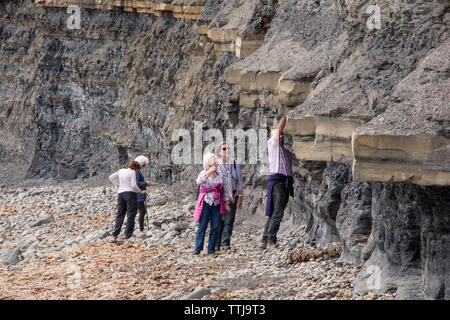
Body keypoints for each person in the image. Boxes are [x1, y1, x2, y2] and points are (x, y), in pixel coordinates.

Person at [261, 117, 296, 249]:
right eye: (279, 135)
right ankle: (271, 240)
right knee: (277, 212)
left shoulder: (285, 151)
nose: (281, 136)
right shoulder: (272, 145)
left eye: (282, 135)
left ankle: (265, 240)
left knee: (274, 212)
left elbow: (299, 155)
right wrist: (285, 116)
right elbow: (278, 129)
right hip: (277, 182)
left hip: (285, 183)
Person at [193, 152, 231, 255]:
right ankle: (197, 248)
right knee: (203, 225)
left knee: (215, 226)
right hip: (206, 201)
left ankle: (211, 249)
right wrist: (209, 172)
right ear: (208, 162)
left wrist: (227, 201)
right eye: (212, 158)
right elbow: (198, 182)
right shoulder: (204, 172)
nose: (215, 159)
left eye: (215, 157)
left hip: (217, 202)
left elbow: (225, 188)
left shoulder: (221, 174)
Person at [215, 142, 243, 251]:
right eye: (224, 149)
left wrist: (240, 196)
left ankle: (225, 242)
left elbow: (239, 180)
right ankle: (217, 243)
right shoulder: (216, 165)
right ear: (219, 152)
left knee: (229, 219)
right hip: (220, 197)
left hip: (232, 196)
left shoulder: (235, 164)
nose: (227, 150)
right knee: (219, 220)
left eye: (228, 148)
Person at [109, 160, 147, 241]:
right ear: (135, 168)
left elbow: (111, 177)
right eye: (137, 170)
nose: (137, 171)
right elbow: (133, 185)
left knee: (120, 214)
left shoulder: (121, 171)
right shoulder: (132, 172)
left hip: (121, 194)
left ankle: (115, 234)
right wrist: (141, 191)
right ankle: (128, 234)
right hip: (130, 194)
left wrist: (117, 184)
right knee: (131, 214)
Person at [135, 155, 151, 232]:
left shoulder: (136, 171)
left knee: (141, 211)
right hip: (139, 195)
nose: (144, 166)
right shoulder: (137, 172)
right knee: (142, 211)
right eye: (144, 164)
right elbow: (137, 183)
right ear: (140, 163)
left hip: (138, 194)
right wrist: (145, 183)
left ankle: (141, 227)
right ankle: (141, 228)